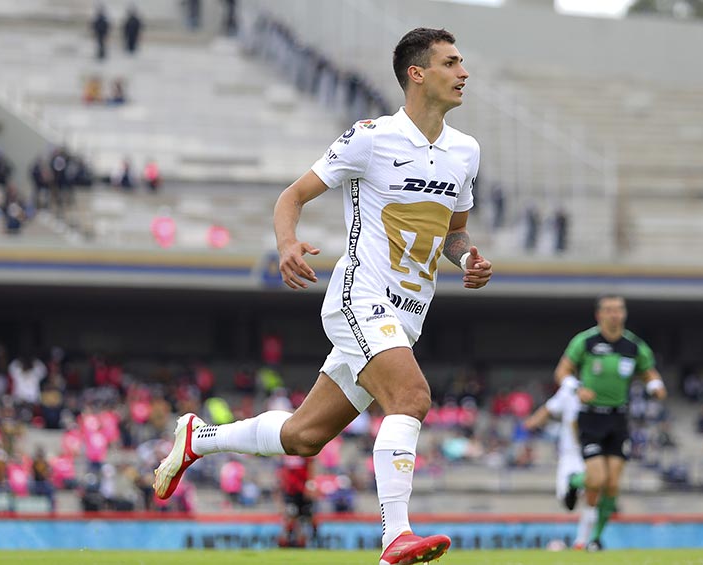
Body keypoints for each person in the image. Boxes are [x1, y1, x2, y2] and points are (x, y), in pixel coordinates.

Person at [153, 27, 491, 565]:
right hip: (361, 296)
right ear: (417, 74)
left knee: (305, 436)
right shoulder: (371, 137)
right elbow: (292, 196)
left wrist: (469, 259)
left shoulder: (465, 152)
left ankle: (200, 437)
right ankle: (394, 536)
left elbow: (453, 234)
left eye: (462, 61)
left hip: (407, 315)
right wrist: (287, 243)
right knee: (411, 397)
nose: (464, 72)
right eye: (451, 62)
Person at [553, 294, 666, 551]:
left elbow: (649, 372)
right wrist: (577, 387)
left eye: (619, 310)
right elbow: (562, 372)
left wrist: (656, 385)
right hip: (591, 416)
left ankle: (595, 539)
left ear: (624, 314)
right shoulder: (585, 341)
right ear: (599, 315)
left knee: (612, 483)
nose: (614, 314)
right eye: (609, 310)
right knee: (597, 479)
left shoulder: (633, 346)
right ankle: (573, 483)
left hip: (618, 418)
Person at [523, 379, 586, 517]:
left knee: (591, 495)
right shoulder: (571, 387)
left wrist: (532, 422)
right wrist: (532, 422)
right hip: (577, 450)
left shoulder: (573, 387)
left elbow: (548, 409)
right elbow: (550, 408)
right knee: (572, 499)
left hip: (583, 449)